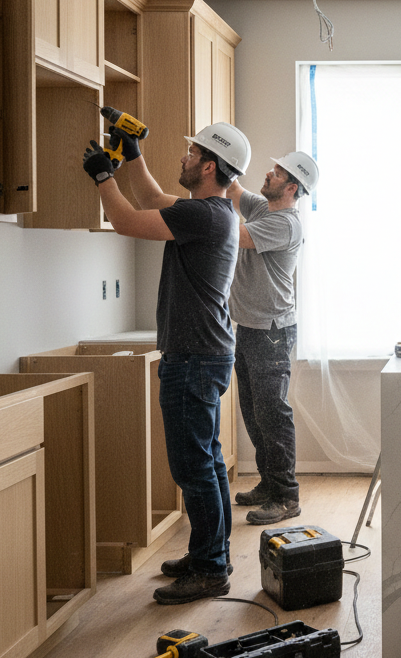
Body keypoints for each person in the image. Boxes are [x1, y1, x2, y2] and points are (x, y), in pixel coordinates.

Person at [82, 119, 250, 604]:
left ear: (209, 166)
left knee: (193, 467)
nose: (184, 157)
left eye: (192, 152)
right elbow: (153, 199)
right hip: (205, 353)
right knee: (207, 462)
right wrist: (132, 154)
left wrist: (103, 176)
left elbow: (127, 221)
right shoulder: (213, 212)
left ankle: (210, 569)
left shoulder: (204, 215)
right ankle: (211, 555)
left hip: (194, 357)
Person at [224, 151, 319, 525]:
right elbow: (234, 191)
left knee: (272, 414)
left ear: (292, 188)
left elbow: (235, 235)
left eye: (277, 172)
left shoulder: (286, 224)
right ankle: (268, 484)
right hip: (250, 327)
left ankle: (286, 497)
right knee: (254, 412)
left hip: (272, 332)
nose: (269, 172)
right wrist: (223, 159)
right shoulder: (264, 208)